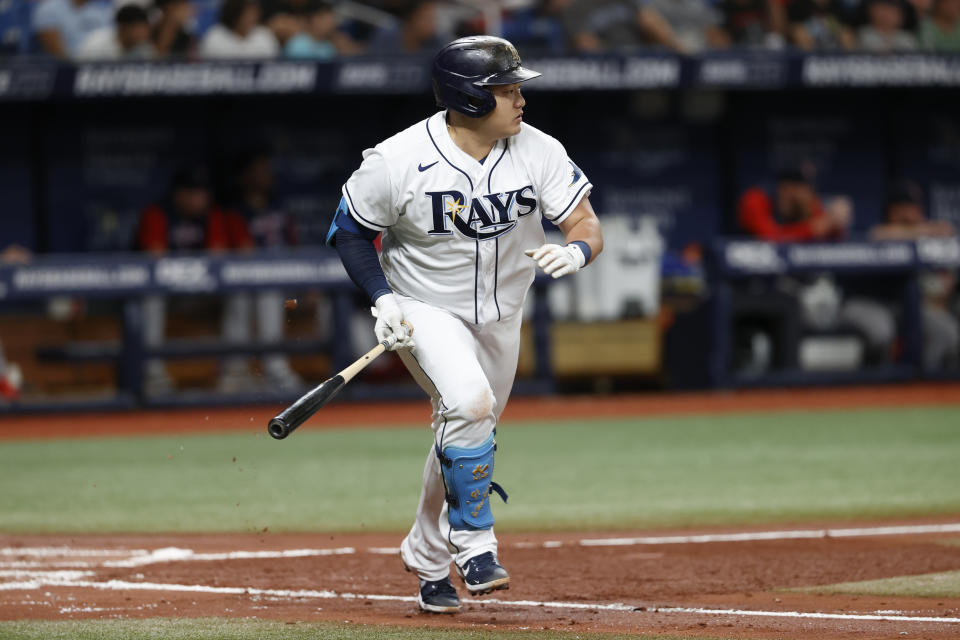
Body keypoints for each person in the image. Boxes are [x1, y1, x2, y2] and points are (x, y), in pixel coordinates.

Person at [326, 36, 602, 614]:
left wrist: (576, 251)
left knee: (464, 425)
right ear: (469, 98)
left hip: (503, 315)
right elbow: (350, 232)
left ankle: (426, 558)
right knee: (470, 405)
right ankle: (475, 545)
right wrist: (383, 300)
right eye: (507, 89)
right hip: (425, 308)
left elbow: (584, 222)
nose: (520, 98)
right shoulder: (396, 160)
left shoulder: (539, 149)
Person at [136, 166, 253, 395]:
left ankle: (235, 371)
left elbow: (217, 258)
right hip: (168, 293)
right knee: (151, 299)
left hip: (203, 292)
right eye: (193, 192)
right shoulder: (158, 213)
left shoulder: (213, 215)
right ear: (178, 194)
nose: (200, 198)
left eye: (202, 192)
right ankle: (153, 373)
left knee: (239, 294)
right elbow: (155, 260)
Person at [225, 150, 304, 390]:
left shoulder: (279, 207)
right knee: (252, 295)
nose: (264, 177)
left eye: (266, 171)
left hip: (289, 294)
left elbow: (295, 248)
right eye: (257, 172)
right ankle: (237, 370)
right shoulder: (234, 210)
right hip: (244, 284)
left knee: (282, 294)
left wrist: (307, 287)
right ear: (244, 176)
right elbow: (242, 251)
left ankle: (276, 369)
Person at [871, 180, 959, 370]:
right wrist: (925, 230)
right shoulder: (884, 231)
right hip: (874, 302)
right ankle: (877, 384)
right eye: (908, 208)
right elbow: (878, 235)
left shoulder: (926, 236)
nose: (915, 213)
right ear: (894, 211)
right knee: (881, 330)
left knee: (946, 332)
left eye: (915, 207)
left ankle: (925, 382)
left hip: (909, 307)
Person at [32, 0, 113, 58]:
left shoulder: (104, 10)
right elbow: (57, 54)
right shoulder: (49, 9)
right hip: (68, 70)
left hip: (103, 63)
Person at [199, 0, 279, 59]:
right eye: (246, 14)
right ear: (235, 13)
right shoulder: (215, 36)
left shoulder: (264, 34)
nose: (251, 18)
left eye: (254, 13)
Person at [76, 3, 155, 60]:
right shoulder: (97, 43)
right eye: (139, 28)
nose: (145, 32)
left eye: (146, 28)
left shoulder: (144, 48)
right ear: (124, 28)